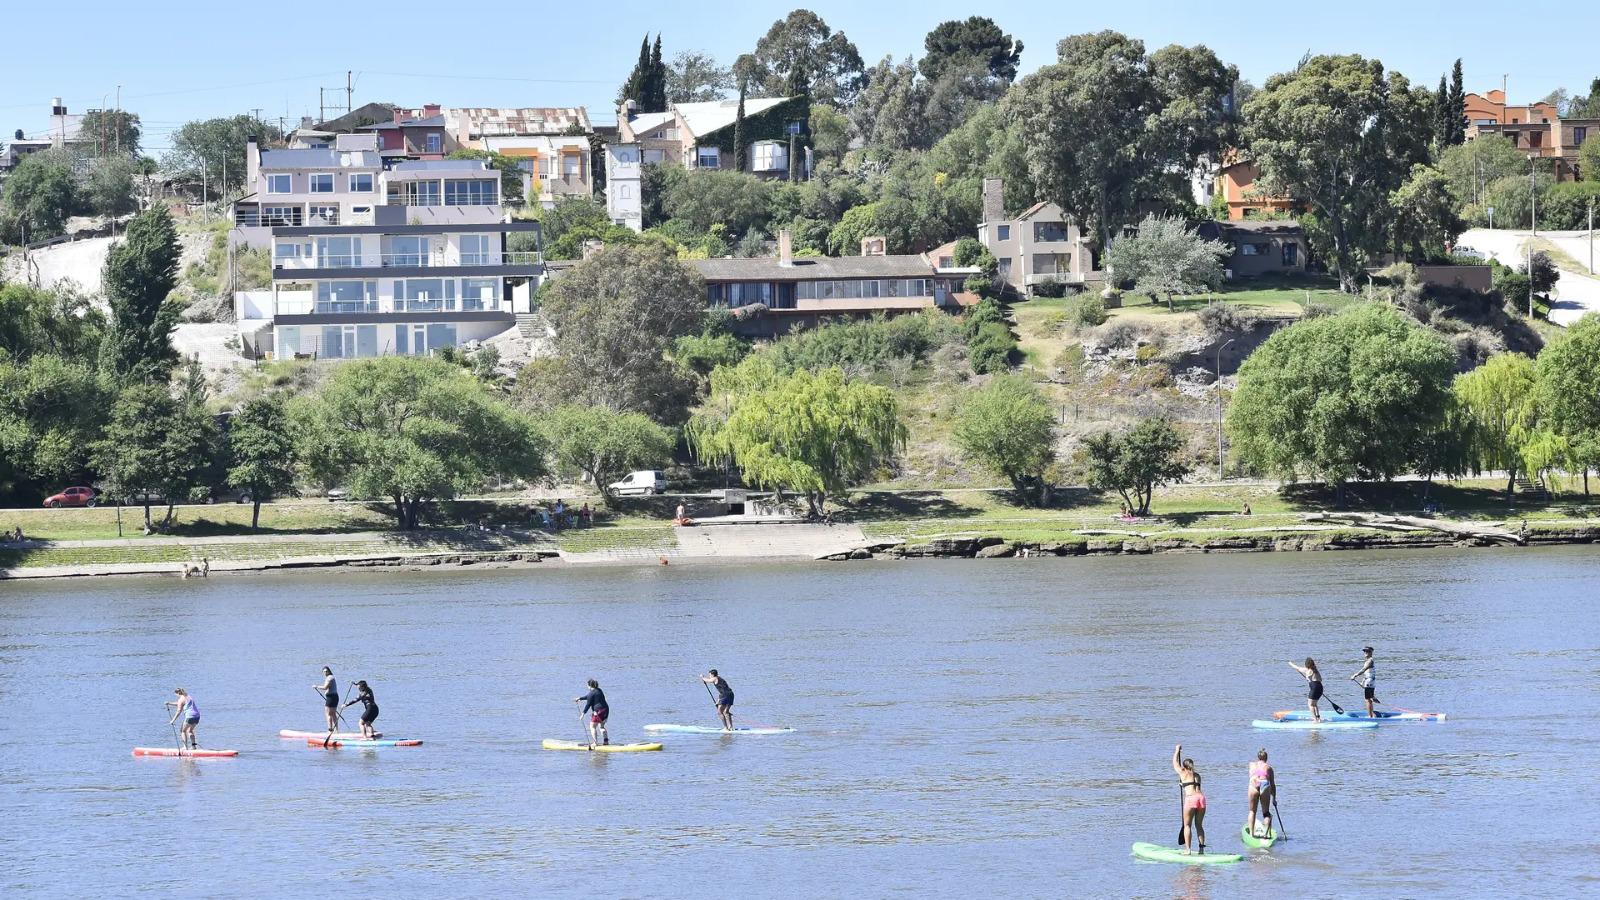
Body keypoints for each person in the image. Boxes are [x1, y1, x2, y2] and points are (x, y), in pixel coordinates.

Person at [1172, 744, 1207, 854]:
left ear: (1184, 766)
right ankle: (1201, 849)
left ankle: (1188, 850)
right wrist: (1182, 784)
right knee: (1199, 825)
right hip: (1201, 798)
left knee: (1187, 825)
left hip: (1191, 799)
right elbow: (1193, 785)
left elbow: (1175, 763)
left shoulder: (1183, 772)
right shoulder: (1198, 775)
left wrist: (1177, 750)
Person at [1245, 749, 1275, 838]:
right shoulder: (1269, 768)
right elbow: (1273, 785)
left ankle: (1251, 834)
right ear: (1266, 758)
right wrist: (1274, 799)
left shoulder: (1251, 765)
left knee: (1252, 811)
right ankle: (1267, 834)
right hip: (1264, 784)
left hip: (1253, 784)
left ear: (1258, 758)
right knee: (1266, 813)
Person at [574, 679, 609, 746]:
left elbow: (588, 704)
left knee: (592, 726)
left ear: (589, 686)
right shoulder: (599, 690)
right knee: (601, 727)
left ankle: (595, 743)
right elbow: (588, 697)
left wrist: (583, 714)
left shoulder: (591, 693)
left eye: (587, 685)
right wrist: (580, 698)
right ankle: (606, 741)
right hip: (606, 710)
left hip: (598, 711)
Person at [1350, 646, 1377, 718]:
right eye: (1364, 651)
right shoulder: (1367, 661)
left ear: (1371, 652)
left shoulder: (1370, 661)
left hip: (1370, 681)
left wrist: (1355, 675)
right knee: (1370, 698)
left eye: (1368, 651)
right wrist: (1363, 681)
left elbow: (1364, 669)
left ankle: (1370, 716)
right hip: (1369, 681)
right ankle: (1372, 715)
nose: (1366, 652)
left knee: (1367, 699)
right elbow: (1367, 673)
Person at [316, 666, 340, 732]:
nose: (325, 673)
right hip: (334, 697)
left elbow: (325, 687)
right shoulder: (332, 677)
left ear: (329, 671)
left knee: (328, 714)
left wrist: (317, 686)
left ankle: (330, 730)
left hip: (331, 698)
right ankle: (336, 730)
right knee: (333, 714)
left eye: (326, 671)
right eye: (324, 672)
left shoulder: (329, 678)